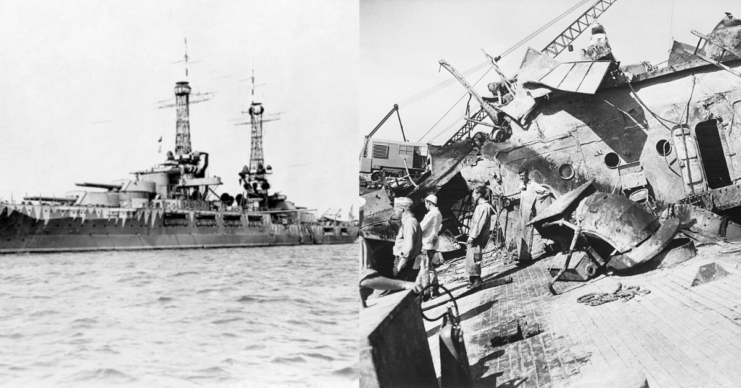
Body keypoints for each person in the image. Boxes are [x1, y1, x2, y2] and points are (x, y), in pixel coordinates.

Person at [517, 167, 557, 263]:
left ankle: (526, 258)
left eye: (523, 175)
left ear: (527, 175)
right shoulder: (521, 184)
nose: (522, 177)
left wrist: (537, 199)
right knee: (520, 233)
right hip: (522, 209)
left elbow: (546, 191)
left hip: (529, 210)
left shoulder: (534, 185)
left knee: (527, 233)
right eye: (520, 176)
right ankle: (522, 256)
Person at [465, 186, 494, 289]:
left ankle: (477, 279)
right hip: (474, 235)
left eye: (474, 193)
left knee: (476, 257)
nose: (472, 195)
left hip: (478, 236)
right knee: (470, 257)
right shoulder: (479, 206)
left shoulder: (485, 207)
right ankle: (472, 279)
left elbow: (480, 224)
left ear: (479, 195)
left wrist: (472, 236)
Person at [391, 197, 423, 283]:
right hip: (407, 261)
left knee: (401, 290)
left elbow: (408, 247)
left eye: (395, 209)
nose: (394, 211)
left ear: (401, 209)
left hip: (405, 262)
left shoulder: (409, 223)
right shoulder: (409, 222)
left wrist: (399, 266)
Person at [420, 194, 442, 299]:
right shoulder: (439, 213)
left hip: (426, 243)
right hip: (433, 243)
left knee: (424, 268)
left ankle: (426, 293)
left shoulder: (431, 214)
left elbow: (421, 227)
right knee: (431, 268)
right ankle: (436, 290)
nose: (425, 205)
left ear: (429, 202)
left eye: (425, 203)